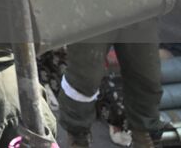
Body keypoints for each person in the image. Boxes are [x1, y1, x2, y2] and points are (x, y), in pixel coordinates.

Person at [58, 20, 164, 148]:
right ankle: (77, 136)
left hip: (139, 8)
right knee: (85, 78)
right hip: (90, 10)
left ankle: (143, 133)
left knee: (147, 74)